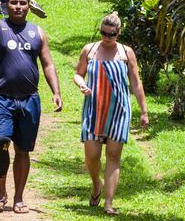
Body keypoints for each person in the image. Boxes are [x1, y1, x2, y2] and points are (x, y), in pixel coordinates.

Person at [0, 0, 63, 214]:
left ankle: (19, 198)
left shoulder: (38, 33)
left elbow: (48, 64)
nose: (18, 7)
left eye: (23, 3)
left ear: (29, 5)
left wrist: (56, 91)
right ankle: (1, 192)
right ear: (7, 5)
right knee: (1, 140)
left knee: (23, 150)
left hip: (29, 101)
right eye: (14, 3)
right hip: (2, 99)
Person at [73, 12, 149, 216]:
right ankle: (96, 184)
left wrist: (144, 110)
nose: (107, 38)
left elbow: (135, 82)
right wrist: (81, 84)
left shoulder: (126, 52)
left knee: (113, 156)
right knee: (92, 156)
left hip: (119, 110)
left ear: (119, 32)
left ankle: (108, 203)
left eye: (111, 34)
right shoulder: (90, 50)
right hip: (93, 109)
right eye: (103, 33)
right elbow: (78, 74)